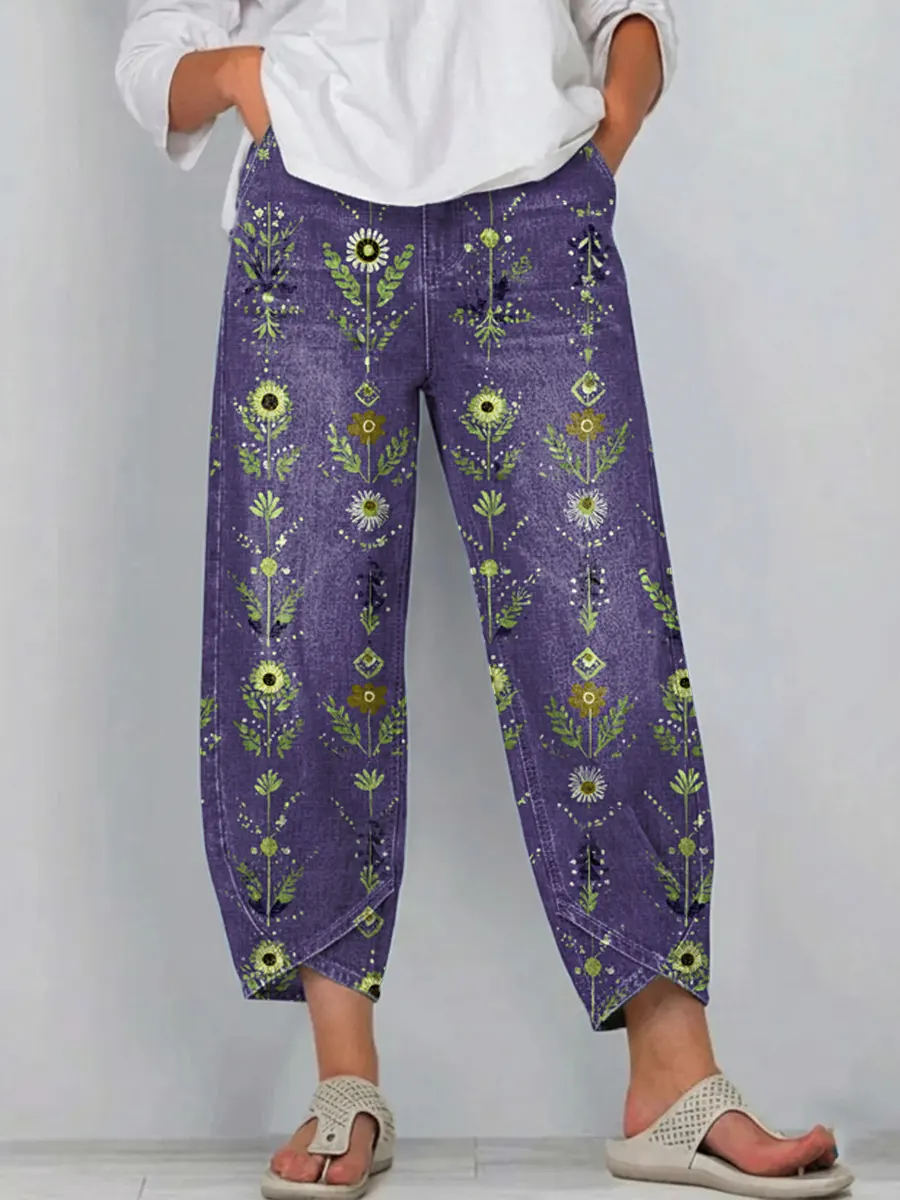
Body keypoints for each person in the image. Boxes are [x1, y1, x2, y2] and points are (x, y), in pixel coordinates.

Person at [115, 3, 852, 1197]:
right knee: (306, 637)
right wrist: (253, 75)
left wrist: (611, 127)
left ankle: (673, 1079)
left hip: (538, 218)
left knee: (603, 628)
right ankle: (345, 1079)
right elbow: (156, 64)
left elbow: (629, 12)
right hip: (311, 223)